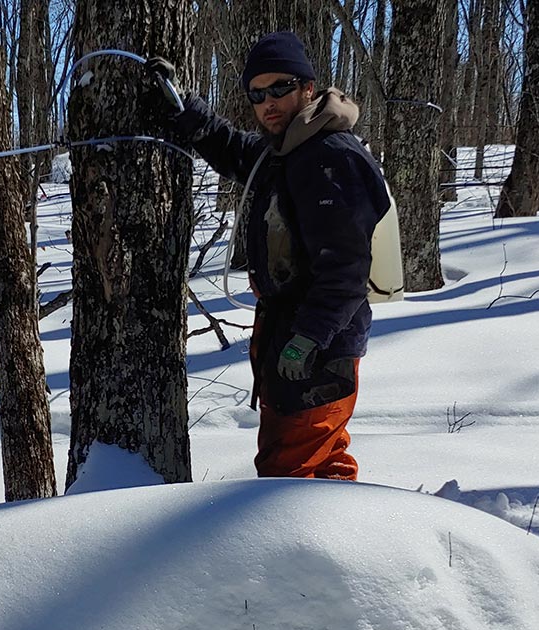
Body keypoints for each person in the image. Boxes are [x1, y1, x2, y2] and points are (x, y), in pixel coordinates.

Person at [146, 32, 396, 481]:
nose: (268, 102)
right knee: (320, 461)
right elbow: (236, 149)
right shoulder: (288, 149)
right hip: (293, 332)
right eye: (257, 94)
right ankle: (344, 545)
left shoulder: (329, 159)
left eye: (280, 87)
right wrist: (186, 109)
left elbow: (346, 268)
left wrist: (309, 338)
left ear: (308, 88)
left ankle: (303, 550)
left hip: (320, 345)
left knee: (290, 473)